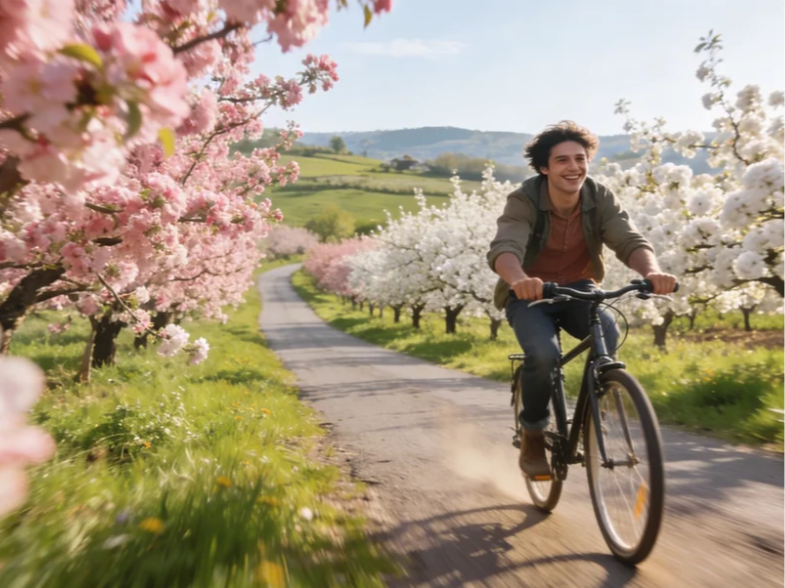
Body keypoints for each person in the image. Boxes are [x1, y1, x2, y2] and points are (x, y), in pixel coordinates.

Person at [486, 121, 677, 478]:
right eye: (562, 161)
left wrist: (652, 272)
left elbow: (628, 239)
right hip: (530, 294)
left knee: (606, 330)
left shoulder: (599, 196)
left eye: (580, 158)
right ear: (545, 167)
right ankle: (533, 432)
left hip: (578, 287)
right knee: (544, 355)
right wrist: (521, 280)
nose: (574, 167)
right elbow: (505, 246)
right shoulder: (524, 199)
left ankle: (594, 411)